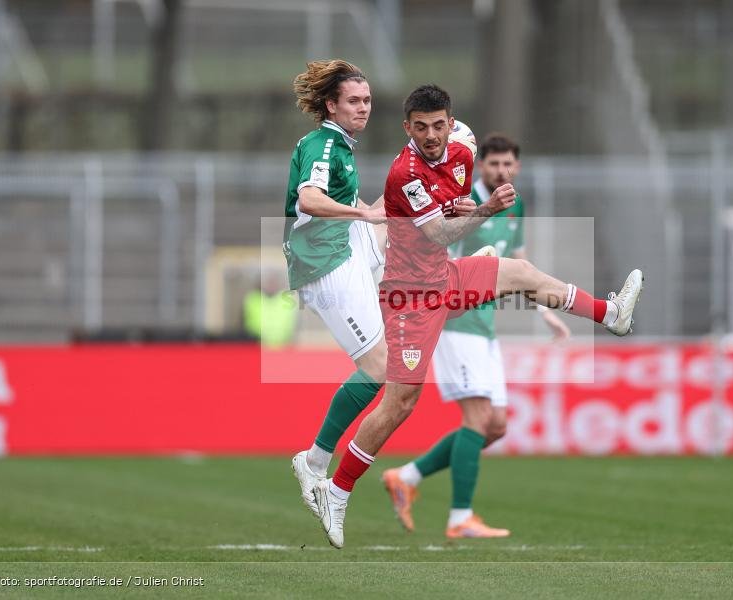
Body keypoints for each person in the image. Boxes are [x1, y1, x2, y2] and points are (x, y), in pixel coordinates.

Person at [313, 84, 643, 549]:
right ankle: (336, 490)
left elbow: (451, 209)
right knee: (401, 403)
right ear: (407, 128)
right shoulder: (403, 172)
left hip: (444, 278)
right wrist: (483, 209)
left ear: (451, 122)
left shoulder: (463, 145)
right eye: (421, 127)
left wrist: (466, 207)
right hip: (411, 298)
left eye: (439, 124)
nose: (432, 135)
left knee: (522, 272)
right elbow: (438, 233)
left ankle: (612, 314)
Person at [381, 133, 570, 538]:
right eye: (494, 164)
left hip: (484, 325)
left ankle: (407, 476)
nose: (501, 171)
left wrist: (543, 309)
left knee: (496, 425)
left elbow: (519, 263)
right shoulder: (462, 200)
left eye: (508, 165)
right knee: (478, 417)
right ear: (480, 165)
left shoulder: (512, 204)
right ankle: (460, 517)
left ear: (516, 167)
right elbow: (436, 248)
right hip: (454, 319)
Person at [285, 60, 389, 518]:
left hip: (342, 246)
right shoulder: (324, 144)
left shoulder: (342, 146)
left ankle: (466, 269)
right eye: (354, 101)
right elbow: (308, 198)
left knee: (407, 201)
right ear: (332, 104)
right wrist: (365, 216)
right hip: (324, 260)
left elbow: (352, 204)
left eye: (367, 100)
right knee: (378, 367)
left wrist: (369, 212)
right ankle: (314, 462)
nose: (363, 108)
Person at [243, 270, 298, 348]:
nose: (271, 285)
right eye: (268, 282)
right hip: (256, 347)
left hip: (283, 347)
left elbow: (293, 325)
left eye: (273, 281)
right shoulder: (253, 299)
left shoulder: (287, 299)